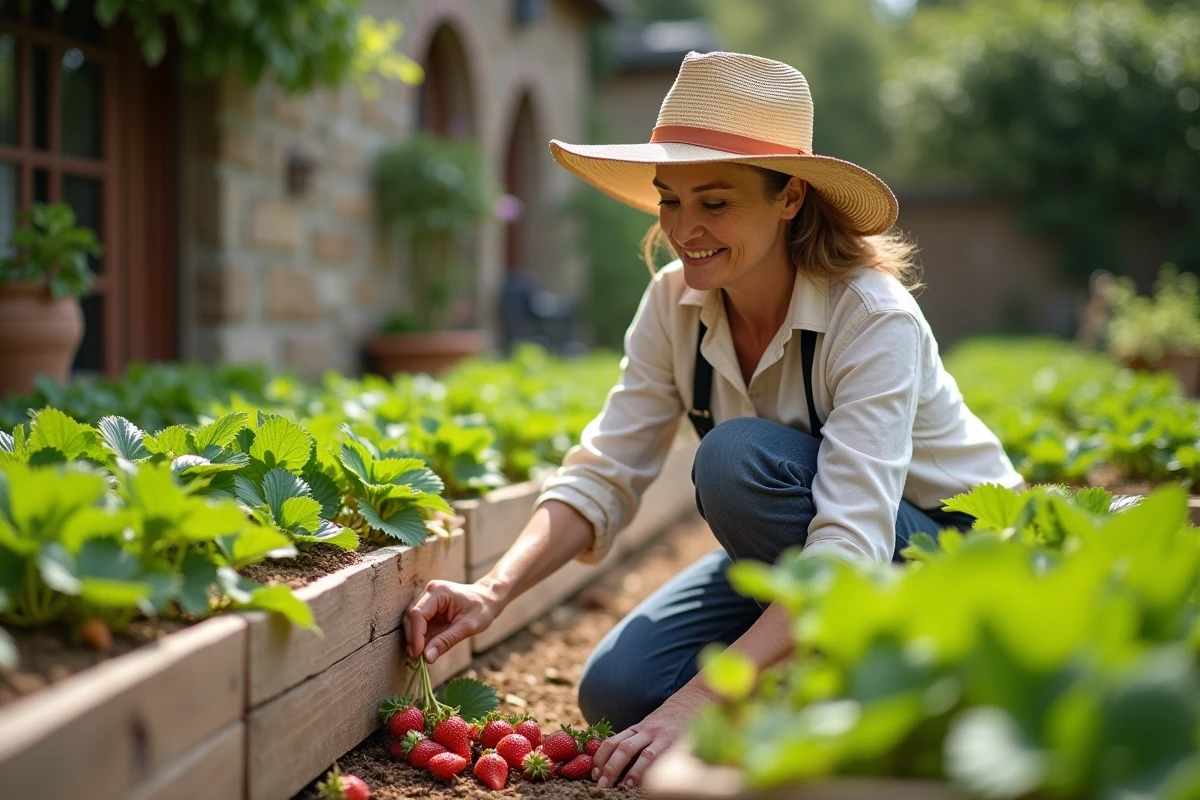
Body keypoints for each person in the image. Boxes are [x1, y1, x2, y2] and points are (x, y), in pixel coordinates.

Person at [403, 51, 1024, 789]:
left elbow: (853, 542)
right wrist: (491, 590)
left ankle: (886, 679)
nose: (683, 228)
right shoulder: (675, 304)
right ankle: (806, 673)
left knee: (735, 462)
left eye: (715, 202)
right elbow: (606, 469)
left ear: (790, 197)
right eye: (671, 200)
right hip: (814, 558)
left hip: (940, 552)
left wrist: (700, 700)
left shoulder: (871, 318)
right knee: (621, 691)